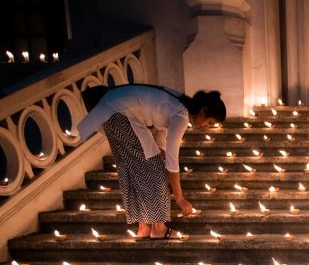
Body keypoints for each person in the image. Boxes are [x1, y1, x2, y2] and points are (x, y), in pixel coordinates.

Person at [77, 84, 226, 239]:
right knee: (156, 170)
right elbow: (172, 159)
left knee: (135, 167)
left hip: (110, 113)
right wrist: (180, 199)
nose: (206, 127)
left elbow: (161, 141)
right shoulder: (181, 115)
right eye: (209, 122)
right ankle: (158, 227)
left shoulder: (178, 104)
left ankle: (144, 226)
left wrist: (162, 166)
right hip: (120, 114)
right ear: (204, 111)